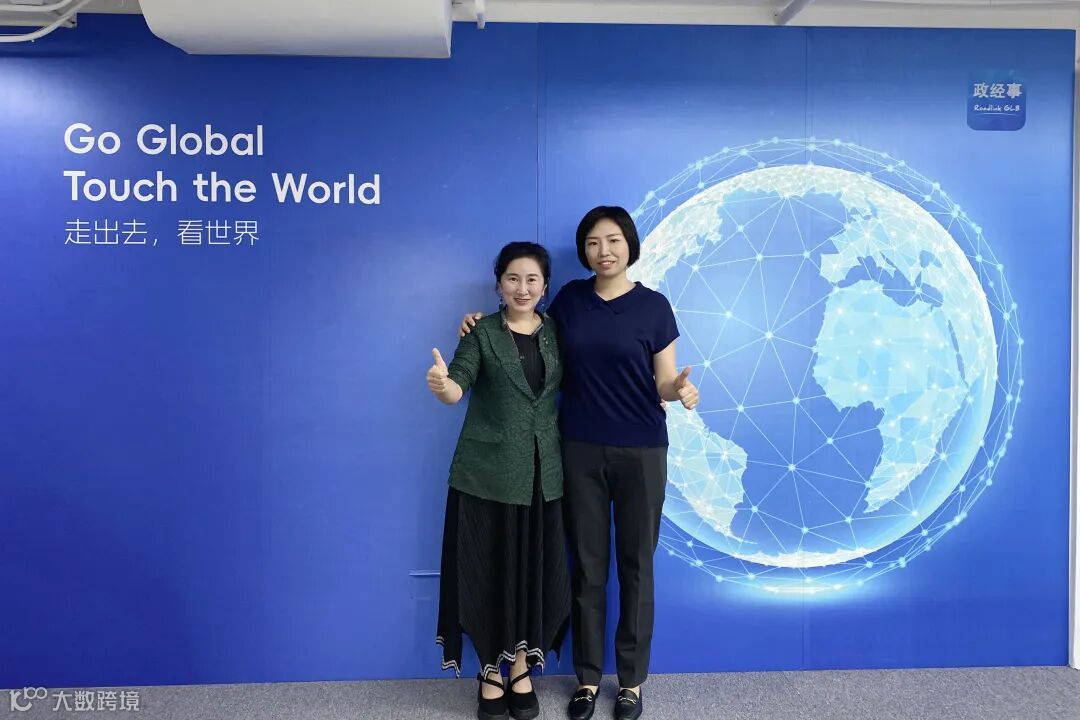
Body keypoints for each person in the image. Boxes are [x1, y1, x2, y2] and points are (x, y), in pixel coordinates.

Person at [459, 207, 699, 720]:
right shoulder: (569, 300)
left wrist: (676, 390)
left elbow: (663, 379)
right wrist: (477, 323)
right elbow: (524, 328)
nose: (603, 251)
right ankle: (587, 679)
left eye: (613, 240)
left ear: (630, 245)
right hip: (579, 448)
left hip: (642, 449)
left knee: (636, 566)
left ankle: (631, 682)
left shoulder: (654, 307)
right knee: (587, 568)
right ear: (584, 250)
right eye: (593, 242)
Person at [428, 241, 571, 720]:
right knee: (487, 574)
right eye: (513, 278)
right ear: (498, 285)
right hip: (486, 476)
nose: (522, 288)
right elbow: (458, 383)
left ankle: (522, 668)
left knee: (533, 574)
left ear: (544, 286)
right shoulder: (481, 332)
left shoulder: (557, 332)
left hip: (542, 477)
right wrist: (444, 385)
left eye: (532, 279)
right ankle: (490, 670)